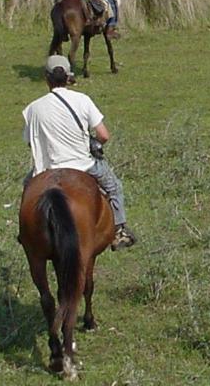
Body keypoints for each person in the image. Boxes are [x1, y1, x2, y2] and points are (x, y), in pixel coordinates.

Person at [22, 55, 136, 250]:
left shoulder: (33, 108)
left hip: (48, 168)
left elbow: (30, 143)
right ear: (67, 77)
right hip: (84, 164)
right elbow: (104, 135)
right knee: (114, 186)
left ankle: (26, 231)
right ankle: (119, 230)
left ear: (47, 78)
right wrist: (94, 143)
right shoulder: (82, 100)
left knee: (27, 188)